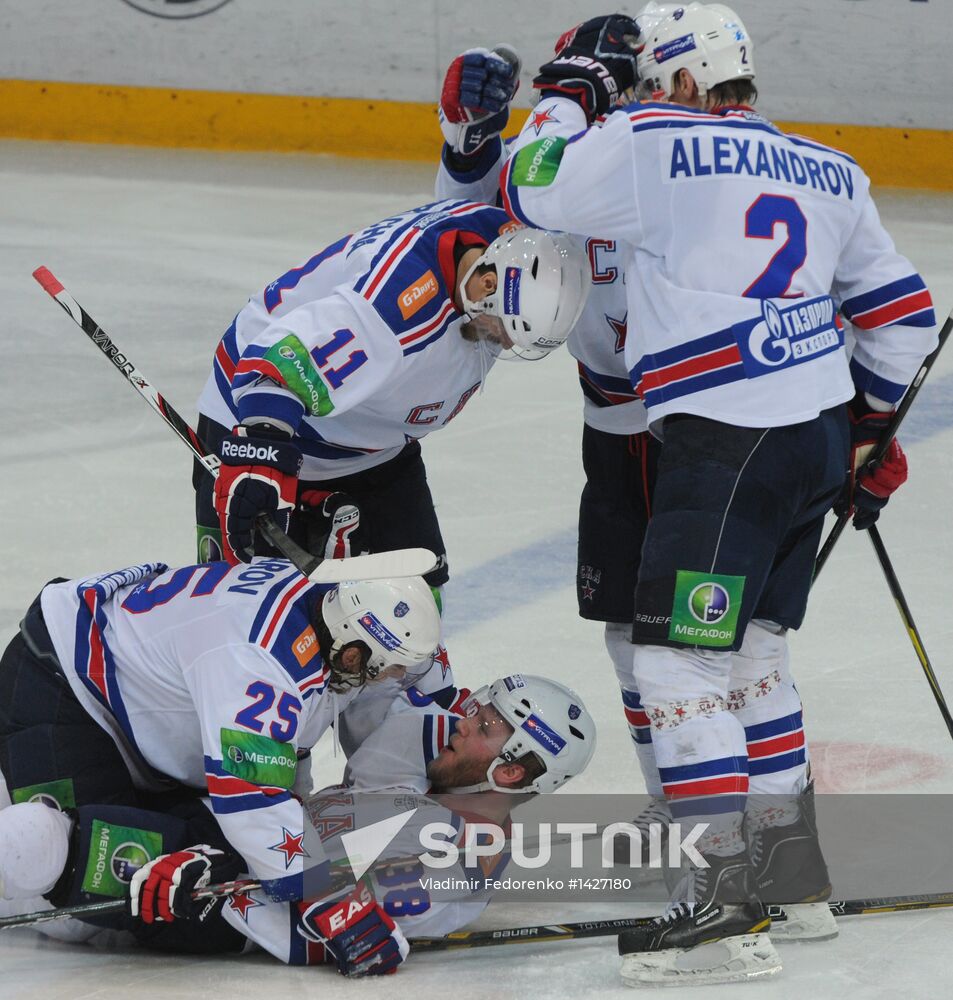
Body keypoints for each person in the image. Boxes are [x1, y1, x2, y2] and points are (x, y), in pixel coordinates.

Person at [498, 5, 938, 985]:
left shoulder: (652, 138)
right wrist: (870, 429)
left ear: (685, 83)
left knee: (675, 666)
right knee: (750, 658)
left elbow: (529, 187)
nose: (655, 97)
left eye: (660, 82)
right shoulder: (827, 165)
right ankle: (792, 884)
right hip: (813, 439)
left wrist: (570, 90)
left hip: (721, 441)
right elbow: (904, 315)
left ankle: (721, 912)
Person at [0, 557, 442, 974]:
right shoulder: (262, 660)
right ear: (352, 652)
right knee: (89, 884)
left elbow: (283, 748)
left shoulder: (329, 603)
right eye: (384, 668)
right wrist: (337, 905)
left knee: (209, 858)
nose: (386, 678)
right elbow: (250, 800)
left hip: (126, 704)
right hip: (61, 692)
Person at [435, 39, 665, 827]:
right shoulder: (566, 152)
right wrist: (469, 140)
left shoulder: (662, 147)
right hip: (617, 435)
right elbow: (469, 226)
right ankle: (680, 804)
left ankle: (756, 816)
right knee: (635, 638)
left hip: (701, 431)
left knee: (721, 646)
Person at [0, 673, 596, 976]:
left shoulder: (453, 864)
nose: (461, 721)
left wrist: (219, 889)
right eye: (476, 709)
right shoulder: (433, 774)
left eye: (486, 727)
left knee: (37, 839)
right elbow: (387, 701)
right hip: (224, 825)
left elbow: (315, 931)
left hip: (212, 893)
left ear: (513, 773)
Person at [194, 200, 591, 589]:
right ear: (487, 285)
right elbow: (277, 366)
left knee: (415, 603)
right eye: (504, 328)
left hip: (375, 439)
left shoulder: (500, 239)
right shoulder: (393, 317)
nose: (503, 344)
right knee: (264, 614)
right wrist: (261, 460)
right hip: (273, 423)